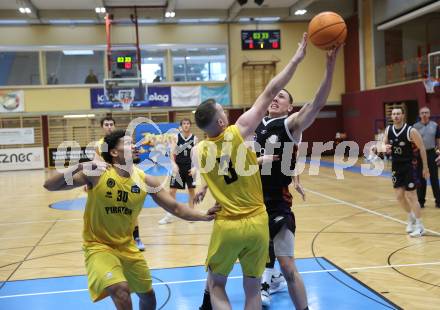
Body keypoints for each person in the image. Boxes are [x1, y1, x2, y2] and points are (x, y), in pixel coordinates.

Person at [43, 129, 219, 310]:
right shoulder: (97, 174)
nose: (134, 145)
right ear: (114, 152)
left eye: (133, 142)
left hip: (127, 247)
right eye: (127, 143)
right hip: (98, 246)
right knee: (121, 289)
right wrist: (80, 166)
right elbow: (49, 185)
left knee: (148, 298)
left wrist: (204, 216)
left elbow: (175, 207)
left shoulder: (146, 180)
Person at [194, 33, 309, 310]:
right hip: (256, 221)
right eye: (224, 111)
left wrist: (260, 160)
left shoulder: (199, 152)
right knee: (253, 290)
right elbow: (270, 89)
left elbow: (227, 168)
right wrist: (296, 59)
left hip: (227, 223)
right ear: (222, 121)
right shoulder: (238, 131)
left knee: (216, 283)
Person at [253, 42, 339, 309]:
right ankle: (266, 283)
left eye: (282, 96)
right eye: (274, 94)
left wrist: (329, 66)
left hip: (278, 202)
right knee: (254, 262)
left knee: (288, 265)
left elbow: (318, 102)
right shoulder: (254, 124)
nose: (276, 97)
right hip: (253, 202)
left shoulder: (290, 125)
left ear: (290, 108)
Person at [374, 107, 429, 237]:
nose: (396, 116)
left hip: (410, 166)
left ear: (403, 115)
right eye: (394, 114)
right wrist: (383, 147)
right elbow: (380, 146)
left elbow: (422, 148)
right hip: (396, 166)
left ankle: (420, 226)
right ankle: (411, 218)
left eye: (398, 113)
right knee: (399, 196)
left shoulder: (411, 131)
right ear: (391, 117)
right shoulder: (388, 130)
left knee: (411, 196)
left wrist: (425, 167)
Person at [96, 116, 146, 251]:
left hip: (127, 178)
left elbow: (138, 154)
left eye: (111, 124)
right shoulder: (98, 145)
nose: (109, 126)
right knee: (110, 210)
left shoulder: (123, 142)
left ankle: (136, 237)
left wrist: (138, 151)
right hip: (109, 180)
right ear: (102, 127)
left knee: (131, 208)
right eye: (106, 124)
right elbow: (97, 162)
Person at [159, 118, 198, 224]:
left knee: (191, 191)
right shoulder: (176, 137)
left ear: (190, 125)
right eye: (184, 123)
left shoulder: (195, 139)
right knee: (172, 190)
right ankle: (169, 214)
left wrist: (195, 167)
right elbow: (171, 153)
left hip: (190, 167)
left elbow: (196, 155)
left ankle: (191, 214)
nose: (186, 125)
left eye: (188, 123)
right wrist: (174, 164)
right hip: (178, 167)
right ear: (181, 126)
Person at [412, 107, 440, 208]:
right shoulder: (415, 127)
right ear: (419, 115)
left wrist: (439, 153)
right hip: (419, 154)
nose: (424, 114)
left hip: (432, 153)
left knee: (434, 178)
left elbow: (438, 140)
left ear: (429, 114)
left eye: (426, 112)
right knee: (420, 178)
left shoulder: (435, 125)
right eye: (422, 113)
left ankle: (438, 201)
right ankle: (421, 201)